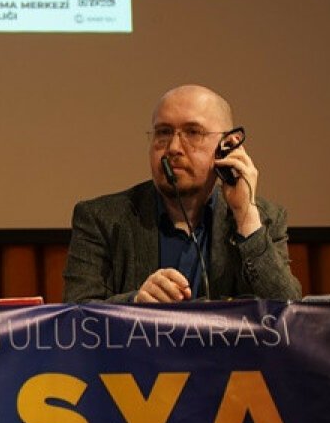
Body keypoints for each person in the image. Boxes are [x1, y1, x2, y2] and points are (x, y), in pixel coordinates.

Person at [63, 85, 302, 303]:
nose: (174, 148)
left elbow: (287, 311)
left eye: (193, 132)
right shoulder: (101, 219)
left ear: (229, 145)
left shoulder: (264, 219)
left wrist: (246, 217)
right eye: (163, 132)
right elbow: (74, 315)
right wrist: (135, 303)